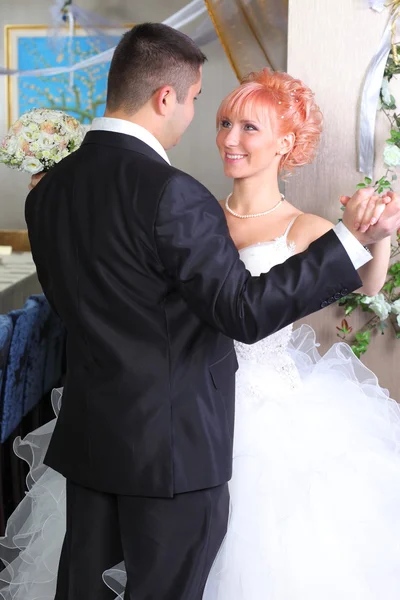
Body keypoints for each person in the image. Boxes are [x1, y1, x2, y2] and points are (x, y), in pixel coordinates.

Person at [1, 24, 400, 600]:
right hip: (176, 442)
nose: (221, 133)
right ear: (168, 98)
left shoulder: (49, 190)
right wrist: (349, 237)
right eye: (205, 109)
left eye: (247, 126)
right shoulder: (180, 197)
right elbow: (240, 309)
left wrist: (364, 237)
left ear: (285, 143)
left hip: (107, 434)